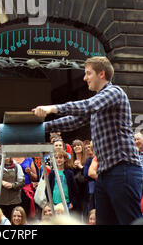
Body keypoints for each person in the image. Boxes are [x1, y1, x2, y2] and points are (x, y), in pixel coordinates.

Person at [32, 56, 143, 225]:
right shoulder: (99, 103)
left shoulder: (114, 93)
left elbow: (87, 105)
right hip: (105, 174)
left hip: (123, 169)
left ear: (102, 74)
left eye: (88, 73)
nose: (84, 78)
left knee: (130, 221)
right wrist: (39, 128)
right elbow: (73, 121)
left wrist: (52, 108)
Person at [71, 139, 89, 219]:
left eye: (78, 145)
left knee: (85, 214)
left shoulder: (87, 160)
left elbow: (88, 174)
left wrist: (81, 167)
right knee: (76, 215)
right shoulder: (71, 162)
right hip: (75, 191)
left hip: (85, 190)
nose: (76, 147)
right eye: (74, 146)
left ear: (82, 147)